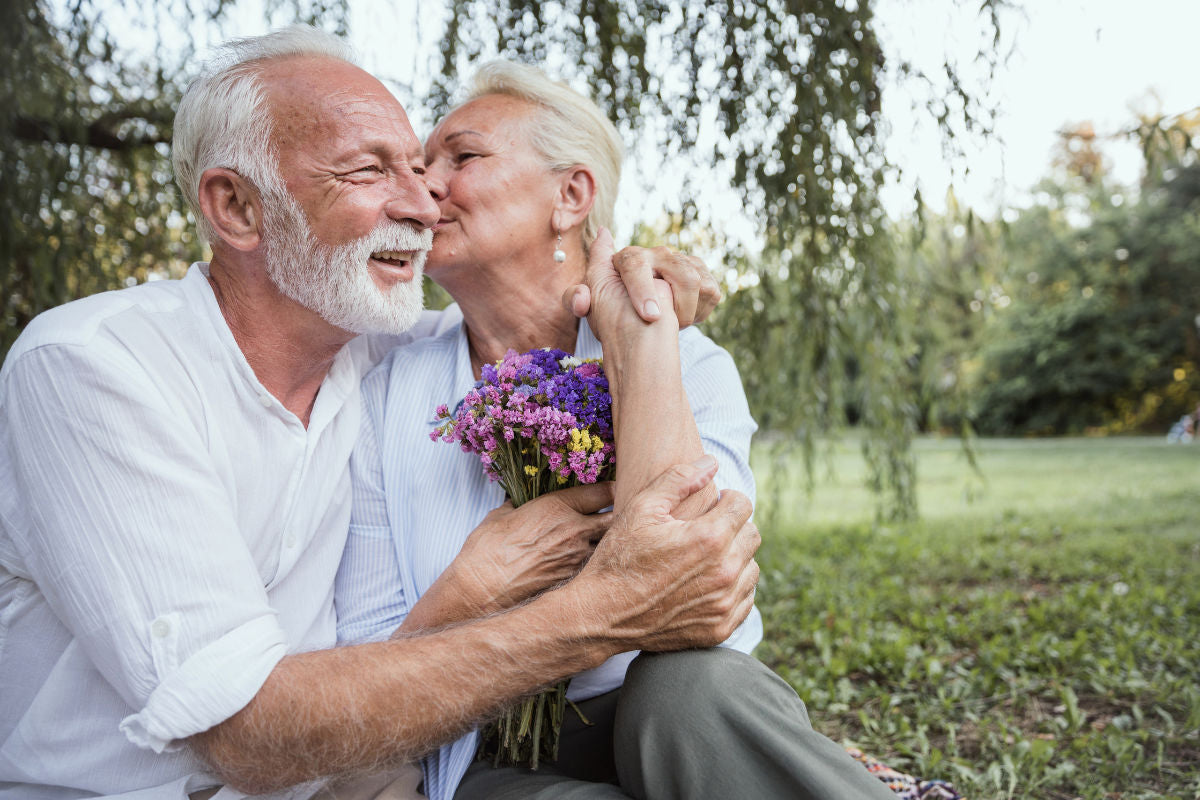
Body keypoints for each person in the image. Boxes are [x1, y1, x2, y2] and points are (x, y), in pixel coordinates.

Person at [0, 28, 757, 799]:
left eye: (435, 164)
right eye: (370, 170)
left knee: (692, 702)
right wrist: (600, 604)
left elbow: (704, 576)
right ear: (236, 206)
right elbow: (248, 734)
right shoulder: (97, 366)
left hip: (341, 775)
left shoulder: (370, 350)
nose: (424, 200)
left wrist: (643, 312)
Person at [334, 61, 898, 800]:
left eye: (461, 157)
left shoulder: (689, 361)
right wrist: (475, 589)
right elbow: (370, 650)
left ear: (571, 195)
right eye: (417, 165)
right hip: (478, 743)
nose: (422, 187)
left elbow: (696, 592)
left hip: (669, 703)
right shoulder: (387, 384)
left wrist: (638, 337)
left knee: (690, 694)